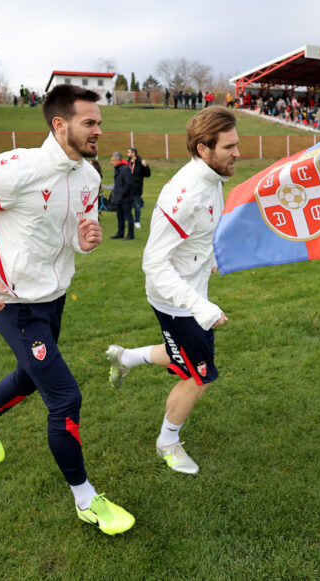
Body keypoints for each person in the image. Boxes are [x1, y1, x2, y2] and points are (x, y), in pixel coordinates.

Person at [0, 84, 134, 536]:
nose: (98, 131)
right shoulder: (15, 168)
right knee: (65, 397)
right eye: (89, 122)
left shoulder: (89, 177)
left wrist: (83, 242)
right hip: (12, 301)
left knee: (31, 374)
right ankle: (86, 499)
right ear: (59, 124)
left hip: (53, 299)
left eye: (99, 122)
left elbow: (72, 236)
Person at [104, 106, 238, 474]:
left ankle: (126, 357)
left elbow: (199, 237)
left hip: (189, 294)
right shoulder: (187, 192)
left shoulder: (211, 180)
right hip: (176, 300)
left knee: (183, 356)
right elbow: (154, 262)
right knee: (198, 377)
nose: (237, 153)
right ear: (203, 148)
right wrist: (200, 306)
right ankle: (168, 442)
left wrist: (209, 260)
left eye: (236, 144)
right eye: (228, 147)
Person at [108, 152, 134, 240]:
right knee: (119, 216)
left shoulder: (125, 169)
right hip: (118, 198)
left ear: (118, 160)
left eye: (113, 160)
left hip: (125, 198)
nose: (111, 162)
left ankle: (131, 235)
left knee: (128, 216)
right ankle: (120, 233)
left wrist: (122, 194)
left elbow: (129, 183)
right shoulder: (118, 168)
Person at [127, 147, 151, 229]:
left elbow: (147, 174)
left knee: (137, 206)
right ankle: (129, 221)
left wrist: (145, 166)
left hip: (137, 188)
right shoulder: (127, 163)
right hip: (128, 189)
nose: (127, 153)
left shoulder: (140, 163)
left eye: (129, 152)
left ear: (134, 153)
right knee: (127, 206)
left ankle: (137, 222)